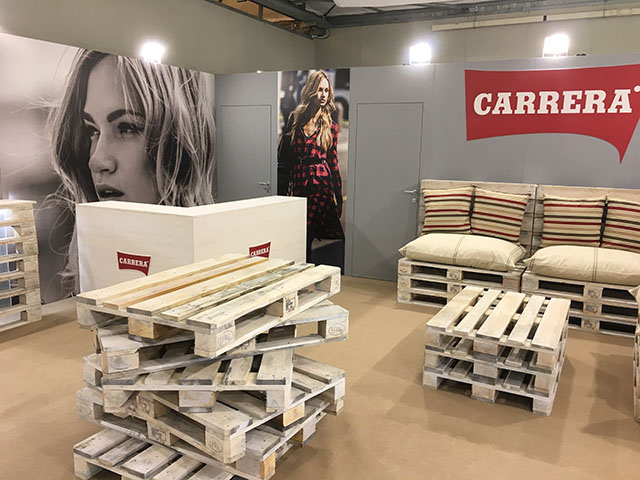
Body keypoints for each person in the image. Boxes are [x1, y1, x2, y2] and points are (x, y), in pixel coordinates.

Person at [50, 48, 216, 293]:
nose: (96, 160)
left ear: (177, 143)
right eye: (92, 130)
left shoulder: (214, 261)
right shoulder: (87, 267)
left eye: (127, 127)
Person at [277, 70, 344, 262]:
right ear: (311, 90)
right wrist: (281, 193)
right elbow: (284, 158)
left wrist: (338, 197)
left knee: (306, 230)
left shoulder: (330, 126)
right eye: (320, 90)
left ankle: (306, 267)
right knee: (299, 231)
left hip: (320, 184)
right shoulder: (295, 119)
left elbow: (333, 162)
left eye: (326, 90)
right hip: (299, 184)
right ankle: (306, 267)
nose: (323, 95)